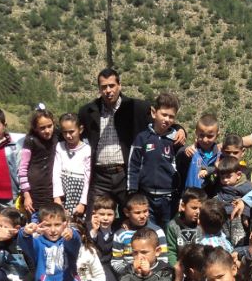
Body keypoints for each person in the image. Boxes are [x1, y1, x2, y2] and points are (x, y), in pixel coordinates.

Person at [78, 68, 185, 211]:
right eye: (104, 87)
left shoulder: (136, 108)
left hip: (124, 174)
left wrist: (179, 129)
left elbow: (161, 119)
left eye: (112, 85)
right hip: (99, 177)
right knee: (95, 217)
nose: (108, 90)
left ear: (119, 85)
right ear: (99, 89)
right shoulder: (88, 111)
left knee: (130, 217)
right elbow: (72, 130)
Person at [127, 92, 184, 228]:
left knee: (168, 230)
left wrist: (181, 195)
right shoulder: (142, 138)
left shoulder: (176, 140)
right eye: (164, 114)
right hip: (146, 197)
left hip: (169, 199)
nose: (167, 119)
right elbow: (133, 165)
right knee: (148, 232)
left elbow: (181, 169)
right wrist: (132, 192)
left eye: (171, 116)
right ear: (154, 113)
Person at [111, 193, 168, 279]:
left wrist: (149, 272)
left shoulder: (158, 232)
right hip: (129, 277)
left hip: (154, 278)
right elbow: (116, 262)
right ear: (127, 212)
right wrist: (130, 271)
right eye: (137, 213)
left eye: (145, 211)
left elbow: (163, 259)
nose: (142, 216)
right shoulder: (120, 235)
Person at [18, 106, 60, 215]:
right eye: (42, 128)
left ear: (54, 123)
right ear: (35, 128)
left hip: (51, 192)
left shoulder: (57, 137)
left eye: (49, 126)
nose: (47, 130)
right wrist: (26, 195)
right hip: (33, 194)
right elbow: (22, 169)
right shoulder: (30, 140)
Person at [72, 215, 113, 281]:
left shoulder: (88, 252)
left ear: (82, 236)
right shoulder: (58, 251)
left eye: (75, 234)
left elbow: (99, 275)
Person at [52, 113, 91, 218]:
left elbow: (88, 179)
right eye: (65, 132)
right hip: (63, 192)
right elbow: (56, 172)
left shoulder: (87, 150)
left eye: (71, 132)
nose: (68, 136)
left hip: (79, 193)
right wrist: (57, 197)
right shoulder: (59, 147)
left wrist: (83, 203)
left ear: (80, 129)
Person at [209, 156, 252, 247]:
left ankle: (238, 255)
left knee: (238, 239)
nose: (225, 180)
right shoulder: (221, 185)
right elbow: (219, 196)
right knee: (225, 238)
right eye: (222, 177)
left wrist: (246, 215)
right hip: (224, 216)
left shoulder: (246, 186)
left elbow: (250, 200)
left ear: (238, 175)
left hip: (237, 217)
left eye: (228, 177)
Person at [89, 194, 119, 281]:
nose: (105, 218)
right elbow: (88, 247)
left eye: (109, 214)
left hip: (109, 264)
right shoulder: (88, 227)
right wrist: (95, 231)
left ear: (115, 215)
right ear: (94, 214)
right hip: (94, 266)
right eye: (101, 214)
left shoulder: (117, 227)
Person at [180, 113, 220, 190]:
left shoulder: (219, 155)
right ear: (196, 133)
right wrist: (184, 151)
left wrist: (210, 170)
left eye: (210, 136)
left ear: (217, 135)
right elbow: (180, 156)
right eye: (201, 135)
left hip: (209, 197)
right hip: (190, 194)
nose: (205, 140)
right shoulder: (192, 151)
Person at [166, 187, 204, 266]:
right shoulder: (173, 226)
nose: (198, 212)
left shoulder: (204, 224)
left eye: (201, 208)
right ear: (183, 206)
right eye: (194, 208)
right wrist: (176, 267)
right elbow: (171, 251)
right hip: (180, 267)